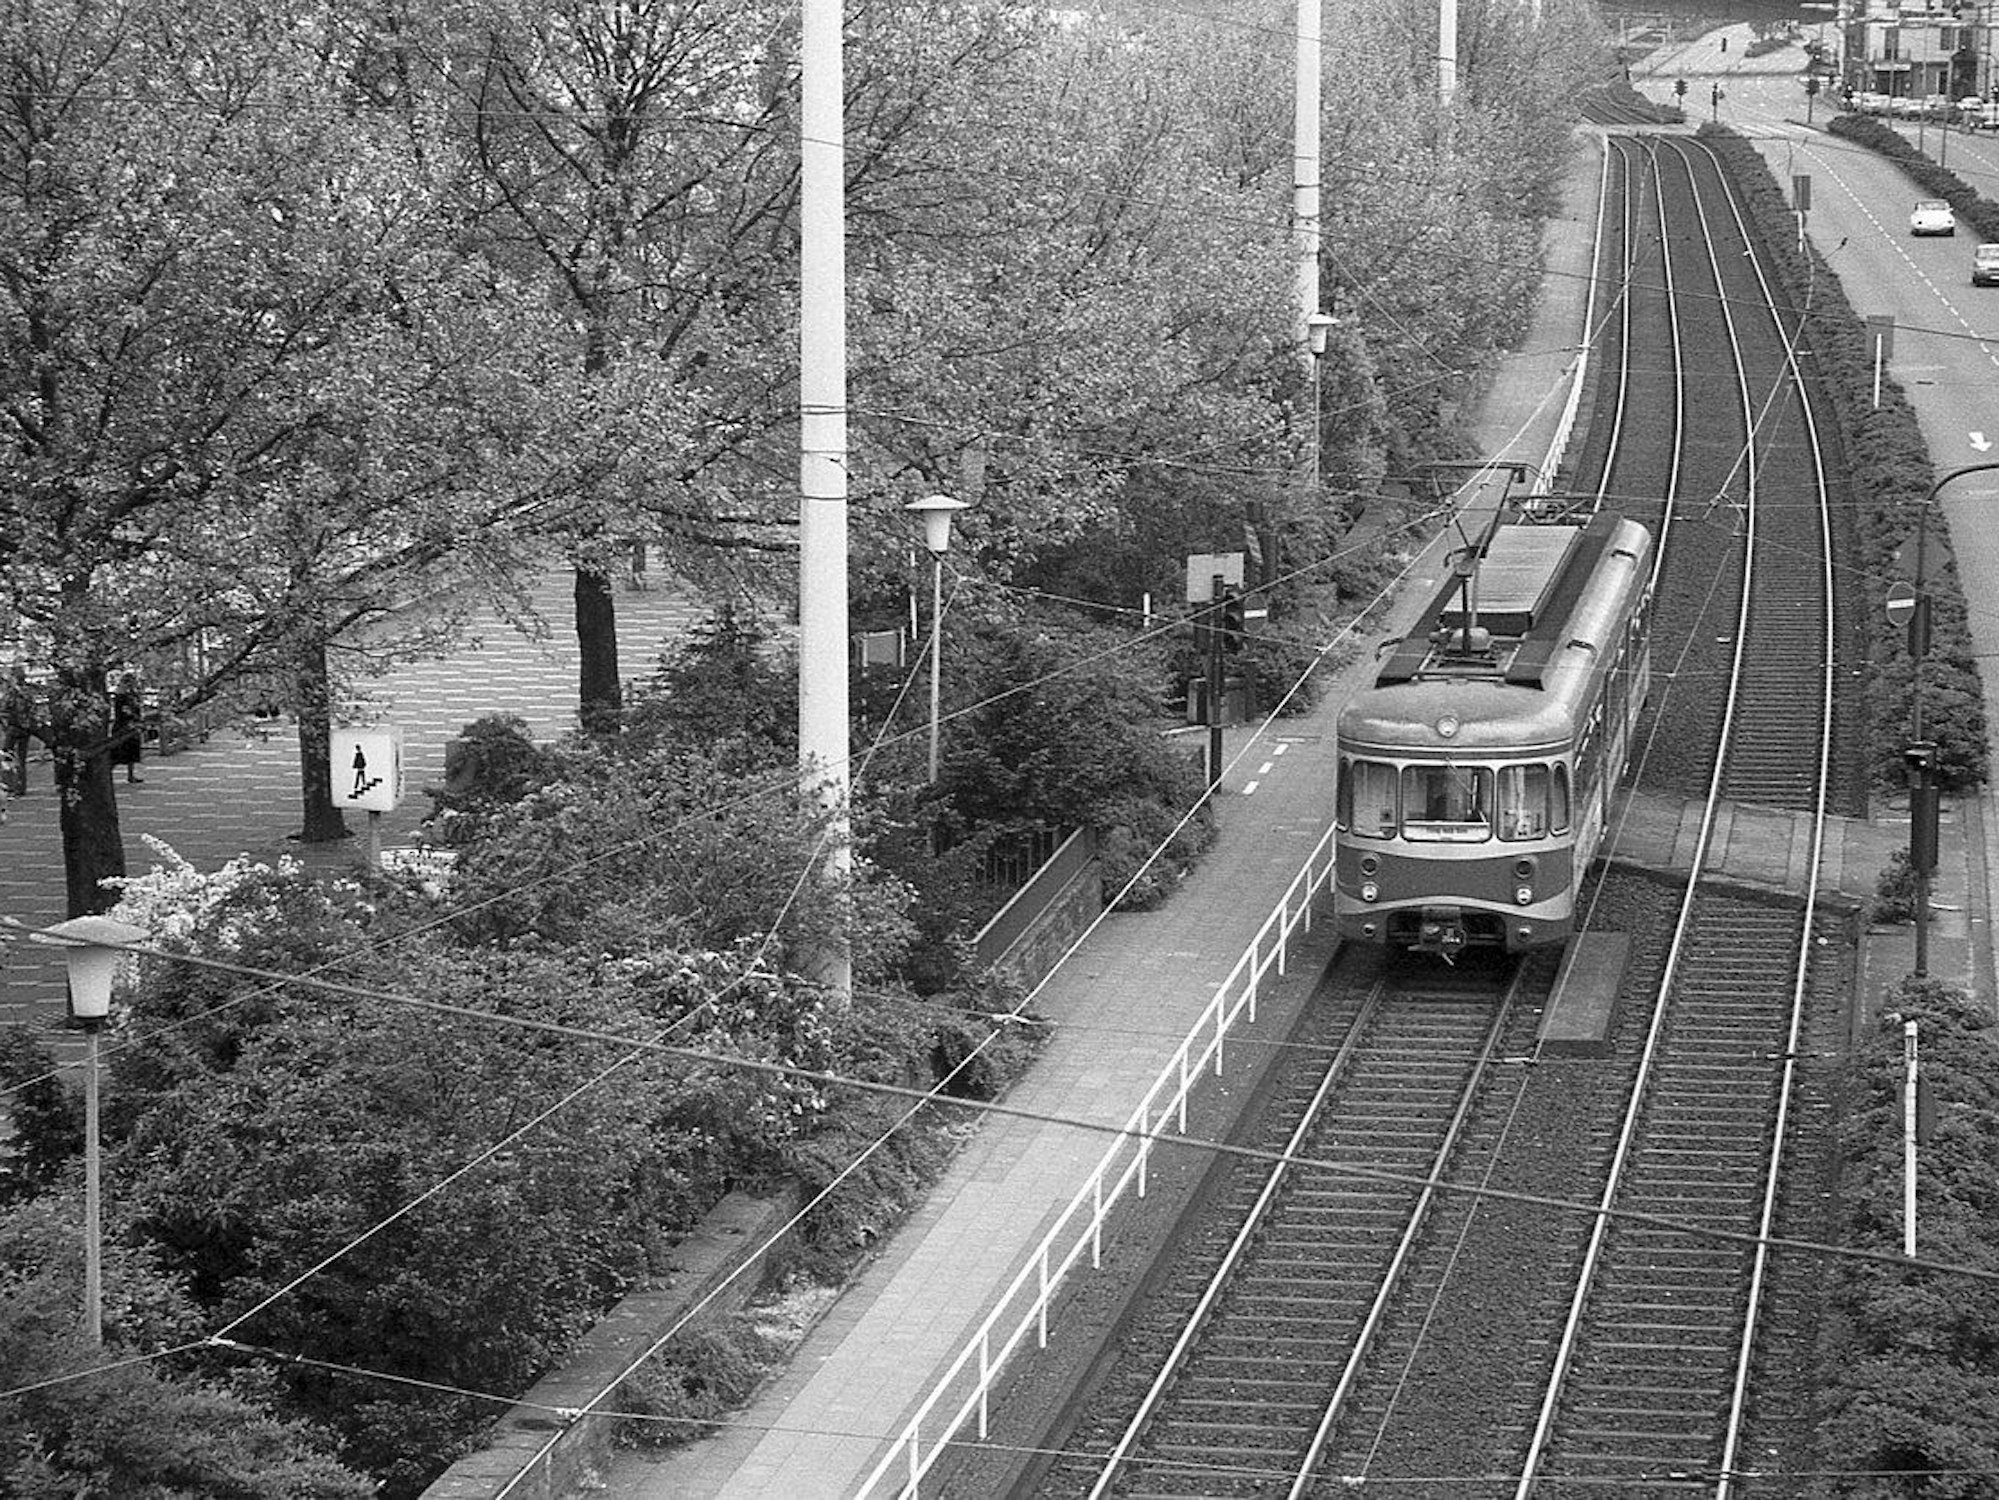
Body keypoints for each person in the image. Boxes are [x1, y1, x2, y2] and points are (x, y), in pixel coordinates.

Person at [2, 664, 37, 797]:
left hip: (13, 728)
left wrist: (5, 724)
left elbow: (4, 709)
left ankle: (10, 786)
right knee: (21, 759)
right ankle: (20, 787)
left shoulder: (12, 693)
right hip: (25, 728)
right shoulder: (29, 691)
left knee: (7, 757)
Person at [110, 670, 145, 784]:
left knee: (132, 751)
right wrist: (134, 716)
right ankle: (108, 773)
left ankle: (131, 775)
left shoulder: (132, 694)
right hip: (123, 725)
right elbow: (124, 710)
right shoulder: (121, 695)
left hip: (133, 724)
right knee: (118, 751)